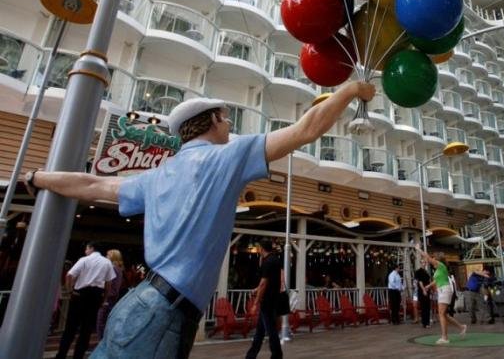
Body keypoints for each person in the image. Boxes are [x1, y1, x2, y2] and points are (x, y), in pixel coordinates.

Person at [25, 81, 375, 358]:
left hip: (148, 305)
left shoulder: (157, 175)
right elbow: (306, 129)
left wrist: (38, 177)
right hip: (162, 313)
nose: (230, 124)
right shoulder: (226, 157)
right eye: (226, 117)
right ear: (212, 121)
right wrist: (351, 89)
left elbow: (93, 184)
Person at [55, 242, 116, 359]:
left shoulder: (84, 260)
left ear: (92, 248)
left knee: (70, 328)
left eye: (86, 249)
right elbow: (108, 283)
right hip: (96, 296)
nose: (85, 251)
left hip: (80, 294)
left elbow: (69, 275)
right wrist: (103, 299)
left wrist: (70, 290)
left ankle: (61, 355)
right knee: (86, 330)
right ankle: (78, 356)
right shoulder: (107, 262)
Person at [415, 244, 466, 344]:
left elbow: (428, 258)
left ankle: (445, 337)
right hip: (443, 290)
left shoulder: (441, 265)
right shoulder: (439, 269)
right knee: (444, 314)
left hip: (444, 290)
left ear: (437, 259)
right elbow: (436, 281)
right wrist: (428, 286)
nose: (432, 260)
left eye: (434, 258)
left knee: (441, 314)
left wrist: (418, 249)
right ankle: (461, 327)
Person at [245, 240, 282, 359]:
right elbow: (272, 280)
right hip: (274, 298)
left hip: (267, 301)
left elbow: (264, 283)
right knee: (260, 331)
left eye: (259, 248)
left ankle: (277, 355)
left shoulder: (267, 262)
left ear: (261, 248)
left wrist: (255, 303)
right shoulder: (276, 260)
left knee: (271, 331)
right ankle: (251, 355)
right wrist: (256, 289)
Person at [96, 249, 124, 339]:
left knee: (101, 322)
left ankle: (101, 341)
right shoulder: (119, 269)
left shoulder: (112, 268)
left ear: (113, 257)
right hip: (113, 297)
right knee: (107, 321)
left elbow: (108, 283)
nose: (106, 256)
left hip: (107, 297)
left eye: (108, 255)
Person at [415, 262, 431, 328]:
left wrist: (430, 289)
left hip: (427, 290)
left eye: (425, 262)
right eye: (422, 262)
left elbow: (429, 281)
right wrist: (423, 290)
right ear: (420, 263)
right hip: (422, 291)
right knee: (424, 307)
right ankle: (425, 323)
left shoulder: (426, 271)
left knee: (427, 307)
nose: (424, 264)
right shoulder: (418, 271)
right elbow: (420, 282)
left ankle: (427, 322)